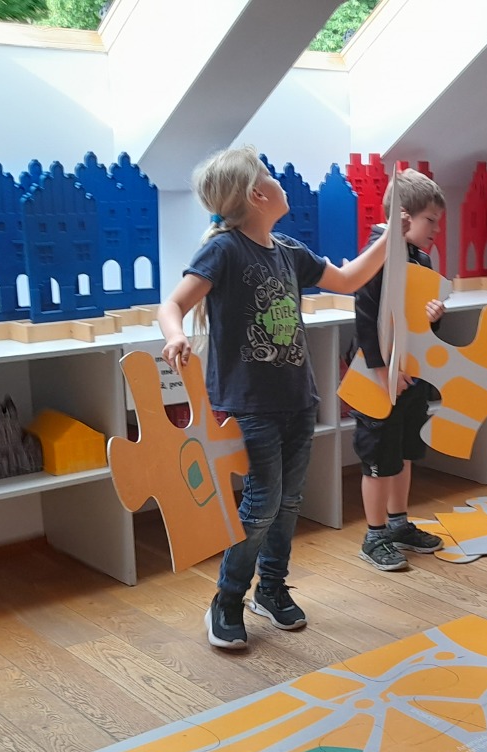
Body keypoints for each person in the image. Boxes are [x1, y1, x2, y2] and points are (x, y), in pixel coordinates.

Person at [158, 147, 390, 650]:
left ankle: (272, 589)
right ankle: (227, 599)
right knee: (261, 504)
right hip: (250, 403)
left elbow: (349, 280)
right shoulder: (224, 250)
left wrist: (390, 236)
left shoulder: (288, 250)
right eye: (269, 176)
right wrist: (175, 335)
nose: (279, 181)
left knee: (288, 502)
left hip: (298, 398)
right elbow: (173, 303)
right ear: (257, 195)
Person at [347, 169, 448, 572]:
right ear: (403, 217)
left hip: (411, 375)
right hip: (377, 378)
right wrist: (381, 370)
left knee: (405, 453)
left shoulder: (420, 258)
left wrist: (434, 315)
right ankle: (374, 536)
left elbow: (418, 324)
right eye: (431, 221)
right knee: (378, 459)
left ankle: (398, 523)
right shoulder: (378, 255)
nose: (436, 230)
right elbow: (365, 318)